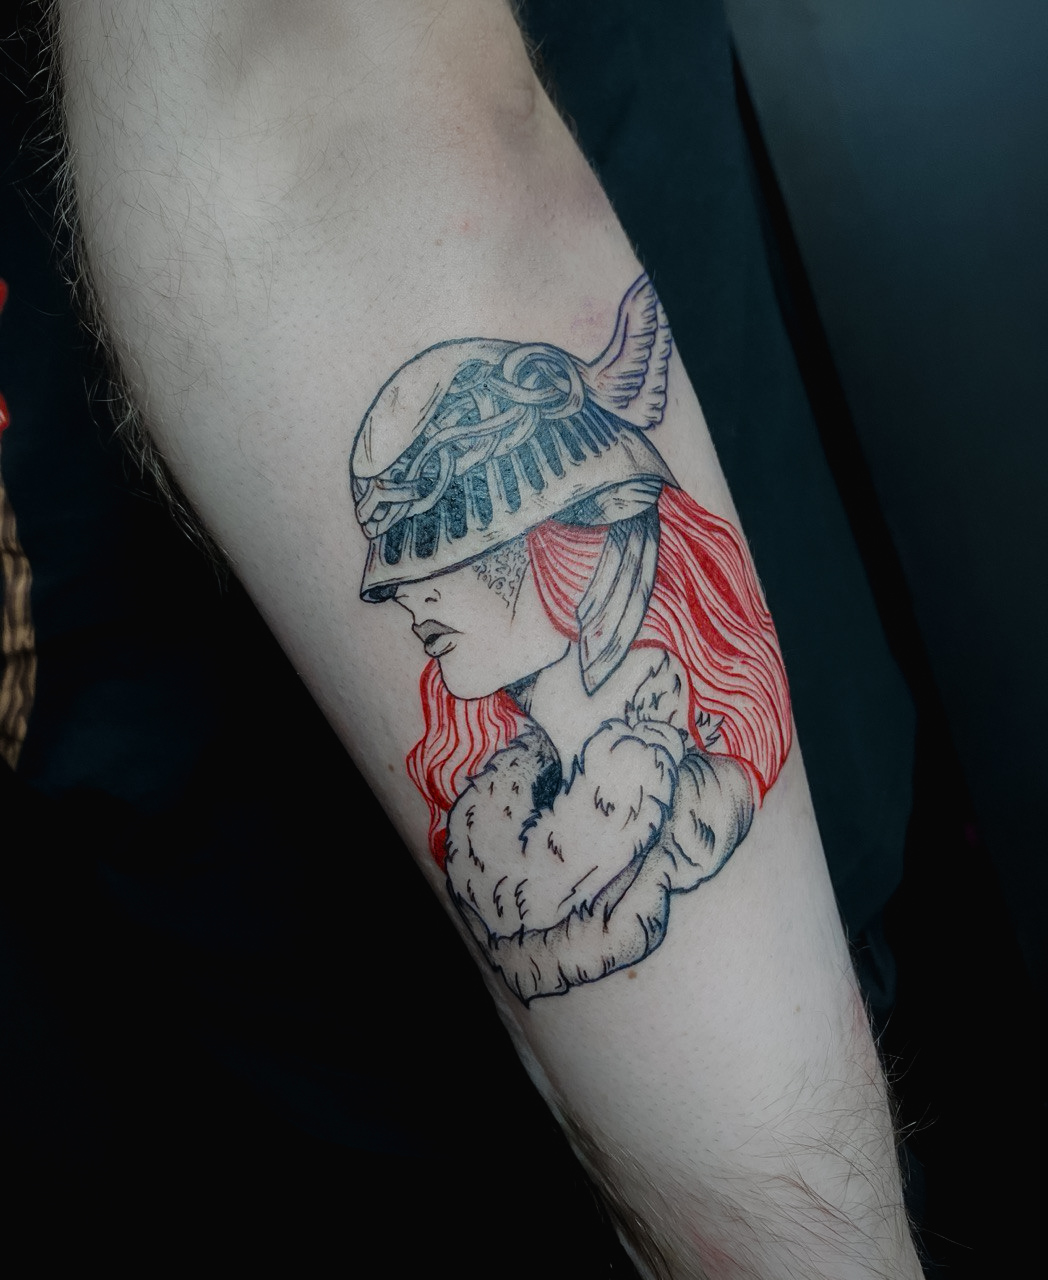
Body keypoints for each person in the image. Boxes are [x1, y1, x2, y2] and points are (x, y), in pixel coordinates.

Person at [53, 1, 924, 1274]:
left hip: (705, 1086)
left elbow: (310, 100)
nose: (405, 597)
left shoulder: (669, 788)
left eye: (434, 564)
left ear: (552, 541)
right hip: (285, 1053)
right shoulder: (501, 791)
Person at [351, 276, 790, 1000]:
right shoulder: (501, 822)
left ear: (571, 541)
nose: (405, 593)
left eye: (446, 552)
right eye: (401, 571)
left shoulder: (689, 824)